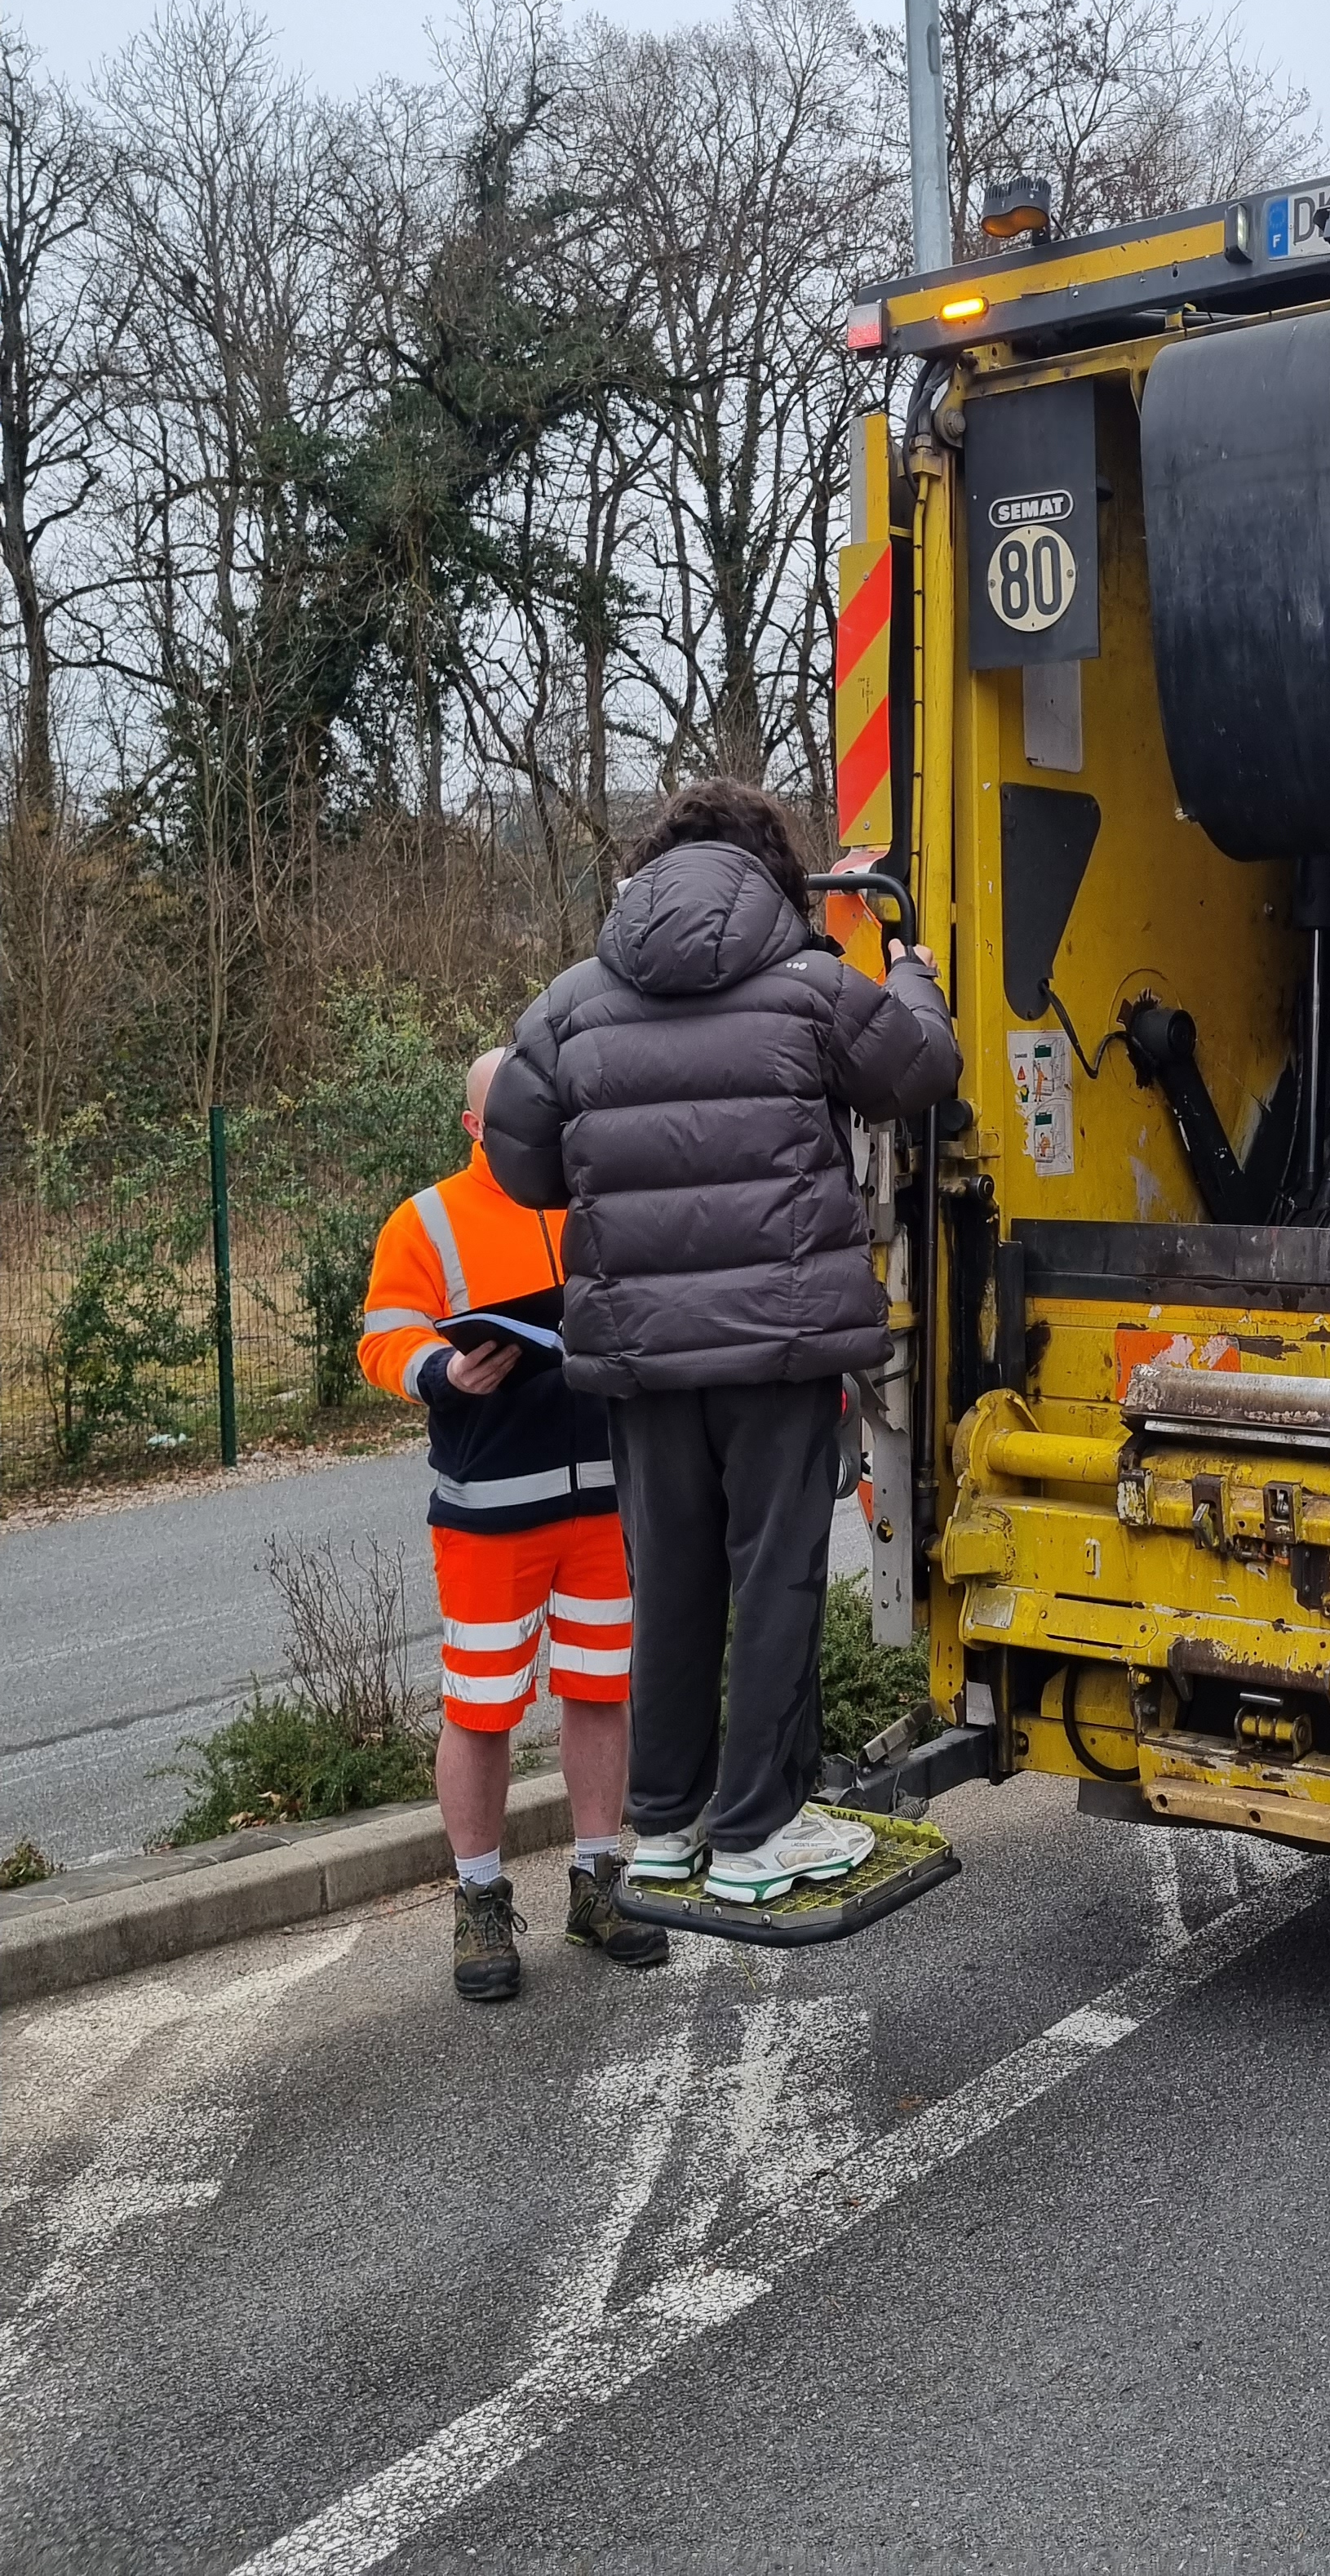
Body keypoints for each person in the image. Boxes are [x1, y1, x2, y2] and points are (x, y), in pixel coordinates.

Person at [484, 779, 959, 1909]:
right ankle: (755, 1833)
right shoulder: (808, 986)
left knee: (674, 1583)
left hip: (642, 1360)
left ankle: (664, 1826)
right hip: (781, 1350)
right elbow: (920, 1075)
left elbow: (519, 1164)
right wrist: (914, 977)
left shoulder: (572, 1003)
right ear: (771, 876)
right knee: (776, 1578)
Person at [360, 1047, 667, 2001]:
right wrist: (441, 1373)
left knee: (599, 1688)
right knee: (481, 1709)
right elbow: (384, 1336)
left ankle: (598, 1881)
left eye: (548, 1114)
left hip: (607, 1502)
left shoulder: (600, 1203)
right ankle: (480, 1903)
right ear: (473, 1128)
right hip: (491, 1513)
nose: (538, 1132)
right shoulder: (426, 1220)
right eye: (513, 1118)